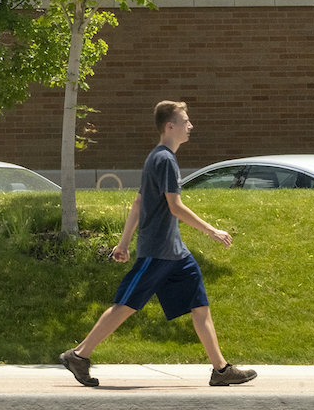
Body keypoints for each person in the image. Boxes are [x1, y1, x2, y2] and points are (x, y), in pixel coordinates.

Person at [59, 100, 257, 388]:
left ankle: (221, 369)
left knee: (200, 306)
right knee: (126, 304)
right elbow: (174, 206)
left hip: (176, 253)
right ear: (170, 126)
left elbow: (140, 200)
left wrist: (123, 243)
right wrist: (211, 230)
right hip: (158, 251)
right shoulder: (164, 159)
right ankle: (79, 355)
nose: (191, 126)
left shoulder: (158, 158)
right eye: (186, 121)